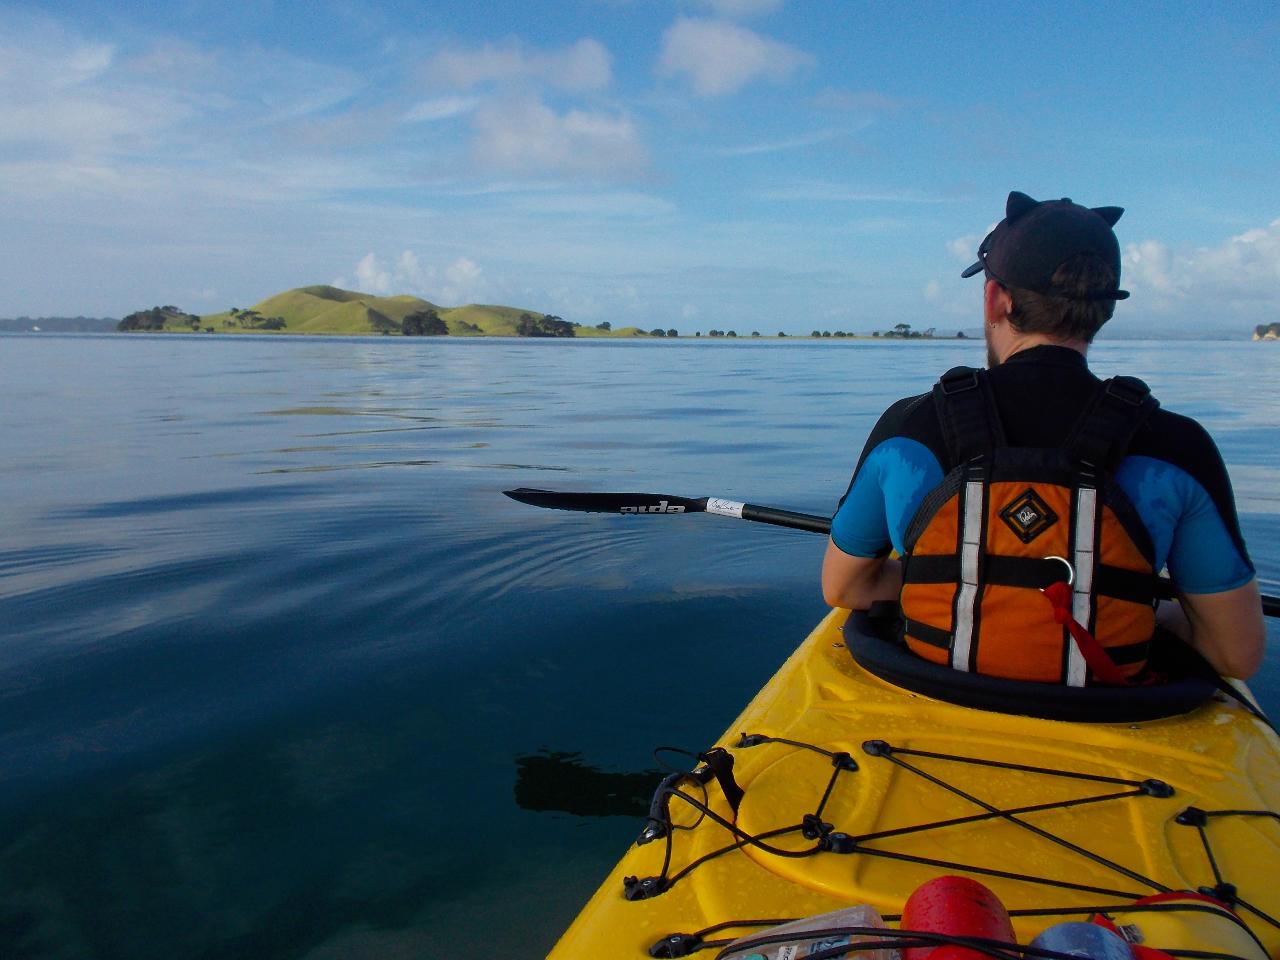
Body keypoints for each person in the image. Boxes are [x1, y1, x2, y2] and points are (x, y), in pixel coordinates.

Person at [822, 191, 1264, 682]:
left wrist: (951, 579)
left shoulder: (909, 426)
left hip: (934, 702)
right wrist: (1126, 605)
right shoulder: (1179, 445)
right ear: (1104, 310)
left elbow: (845, 589)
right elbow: (1235, 654)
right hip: (1111, 722)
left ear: (996, 299)